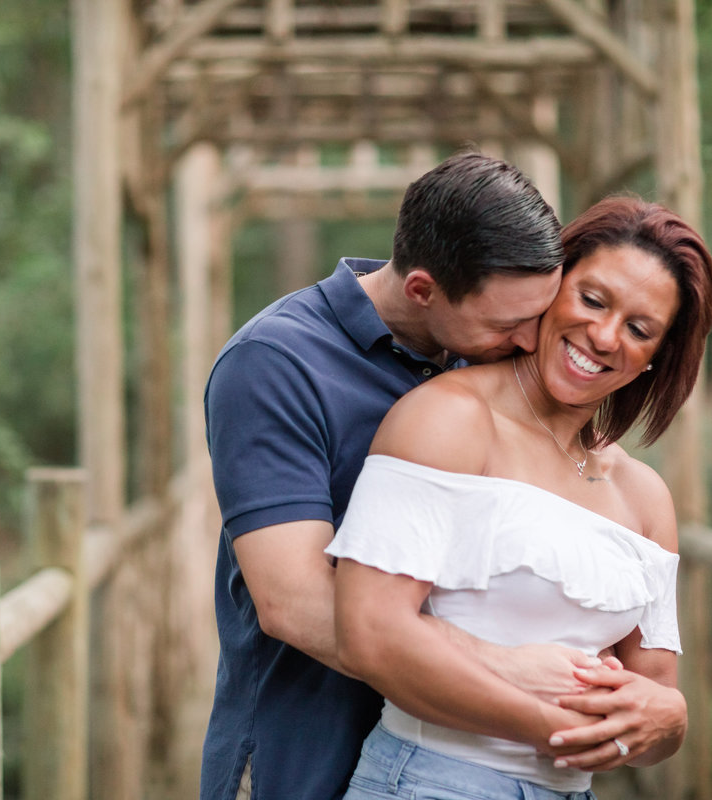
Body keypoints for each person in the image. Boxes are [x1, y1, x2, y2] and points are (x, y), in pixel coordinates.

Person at [200, 151, 685, 800]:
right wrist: (506, 669)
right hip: (305, 733)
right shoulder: (274, 364)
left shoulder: (474, 351)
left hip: (445, 737)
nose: (526, 343)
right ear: (424, 291)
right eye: (510, 325)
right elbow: (291, 602)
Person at [327, 195, 712, 800]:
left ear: (654, 359)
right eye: (592, 299)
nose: (605, 335)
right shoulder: (448, 418)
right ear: (552, 286)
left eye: (639, 329)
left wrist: (672, 721)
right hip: (432, 781)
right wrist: (553, 731)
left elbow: (658, 695)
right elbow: (371, 633)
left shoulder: (644, 495)